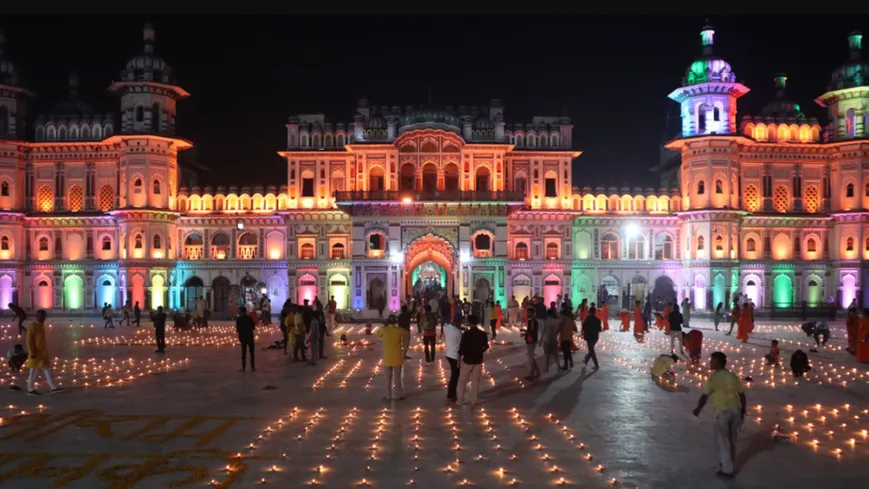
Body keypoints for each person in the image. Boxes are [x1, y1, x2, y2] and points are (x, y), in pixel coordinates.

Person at [692, 351, 747, 479]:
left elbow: (705, 396)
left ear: (717, 362)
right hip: (736, 411)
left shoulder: (714, 378)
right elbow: (741, 394)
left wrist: (698, 409)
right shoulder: (732, 376)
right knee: (732, 440)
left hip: (723, 412)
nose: (710, 363)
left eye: (712, 361)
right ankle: (729, 464)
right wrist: (743, 411)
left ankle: (727, 470)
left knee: (723, 442)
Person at [24, 310, 62, 395]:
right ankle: (30, 389)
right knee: (33, 371)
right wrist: (32, 352)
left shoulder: (41, 326)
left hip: (42, 354)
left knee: (46, 369)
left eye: (44, 316)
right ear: (37, 316)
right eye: (41, 316)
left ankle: (53, 386)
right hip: (35, 354)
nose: (43, 318)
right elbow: (29, 341)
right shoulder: (33, 326)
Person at [457, 314, 489, 407]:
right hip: (478, 360)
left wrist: (459, 359)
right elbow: (486, 346)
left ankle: (460, 400)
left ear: (469, 323)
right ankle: (473, 401)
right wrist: (480, 351)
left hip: (467, 360)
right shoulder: (483, 334)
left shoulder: (466, 334)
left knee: (462, 381)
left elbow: (461, 348)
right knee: (475, 382)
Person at [378, 314, 408, 401]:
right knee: (397, 377)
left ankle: (388, 395)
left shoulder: (383, 330)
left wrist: (385, 326)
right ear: (395, 322)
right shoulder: (399, 330)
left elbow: (378, 334)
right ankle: (397, 395)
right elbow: (406, 333)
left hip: (387, 358)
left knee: (388, 378)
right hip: (397, 358)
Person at [444, 318, 463, 402]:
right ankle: (452, 394)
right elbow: (461, 343)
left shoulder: (447, 328)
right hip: (454, 356)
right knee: (455, 375)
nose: (460, 324)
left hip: (448, 354)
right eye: (460, 322)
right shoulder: (458, 332)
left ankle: (450, 393)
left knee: (454, 374)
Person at [522, 307, 541, 380]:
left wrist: (525, 332)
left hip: (531, 340)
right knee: (531, 357)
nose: (527, 314)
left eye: (529, 312)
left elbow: (532, 332)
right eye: (527, 312)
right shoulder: (531, 320)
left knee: (531, 357)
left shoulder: (533, 321)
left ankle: (532, 374)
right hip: (530, 339)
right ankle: (537, 372)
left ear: (533, 313)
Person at [235, 306, 256, 372]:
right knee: (251, 353)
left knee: (243, 353)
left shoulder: (239, 319)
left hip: (243, 338)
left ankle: (243, 367)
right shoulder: (249, 318)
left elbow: (237, 329)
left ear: (241, 312)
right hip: (250, 337)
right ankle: (252, 367)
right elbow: (253, 328)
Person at [540, 308, 560, 373]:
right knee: (556, 355)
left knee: (546, 355)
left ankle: (546, 368)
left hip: (547, 340)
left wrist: (540, 340)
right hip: (554, 340)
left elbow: (543, 332)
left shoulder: (545, 322)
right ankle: (558, 367)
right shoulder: (556, 321)